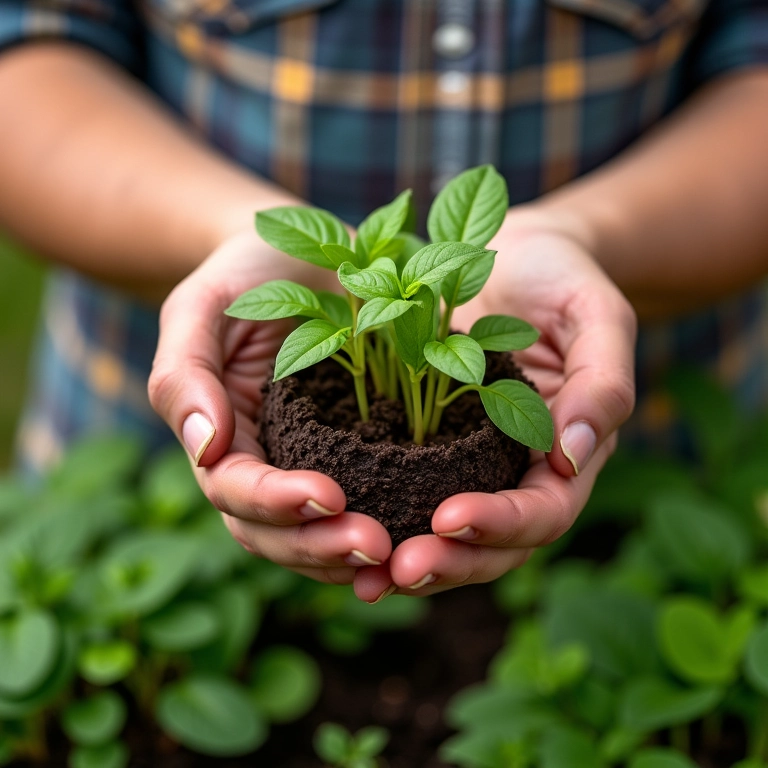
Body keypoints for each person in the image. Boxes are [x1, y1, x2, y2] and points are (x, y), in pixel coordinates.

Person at [1, 1, 766, 604]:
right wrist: (225, 230)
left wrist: (588, 235)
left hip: (662, 440)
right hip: (134, 429)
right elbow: (28, 46)